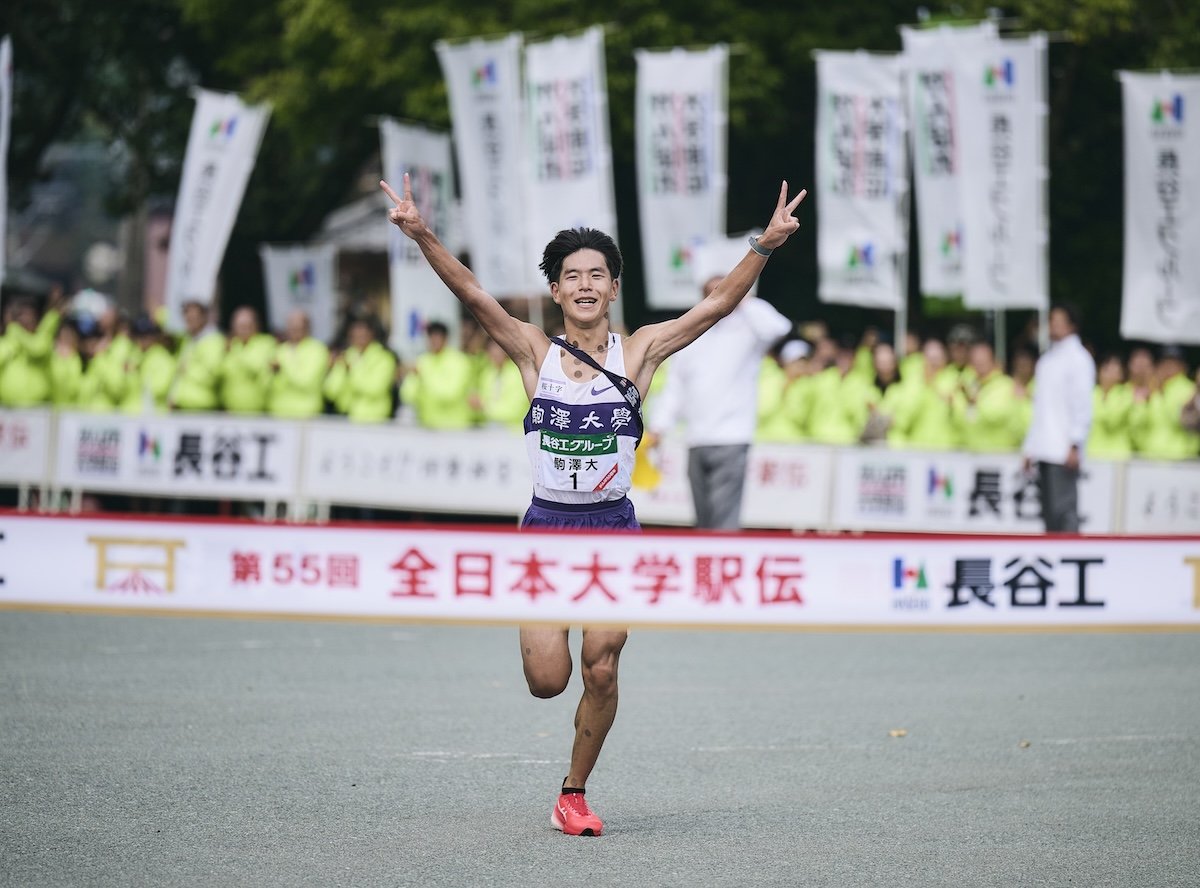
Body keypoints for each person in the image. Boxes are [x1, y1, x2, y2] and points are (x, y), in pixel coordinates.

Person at [382, 173, 806, 837]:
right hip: (545, 530)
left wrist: (766, 243)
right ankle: (540, 649)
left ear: (613, 286)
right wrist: (421, 232)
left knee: (601, 666)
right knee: (548, 681)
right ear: (556, 290)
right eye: (572, 275)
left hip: (613, 529)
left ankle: (572, 793)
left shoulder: (639, 352)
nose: (584, 285)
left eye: (597, 275)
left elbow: (720, 303)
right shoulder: (532, 350)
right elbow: (469, 291)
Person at [644, 242, 793, 530]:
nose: (718, 295)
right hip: (697, 438)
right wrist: (660, 426)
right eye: (712, 291)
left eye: (723, 289)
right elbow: (676, 386)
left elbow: (779, 328)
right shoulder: (691, 332)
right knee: (704, 521)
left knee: (723, 523)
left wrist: (741, 295)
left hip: (731, 437)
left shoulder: (748, 326)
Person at [1021, 303, 1096, 532]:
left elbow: (1082, 404)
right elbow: (1040, 410)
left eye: (1058, 320)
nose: (1053, 325)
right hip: (1044, 446)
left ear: (1072, 325)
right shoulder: (1046, 361)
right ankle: (1053, 559)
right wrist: (1029, 447)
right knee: (1049, 513)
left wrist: (1075, 442)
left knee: (1064, 511)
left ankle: (1069, 558)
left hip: (1063, 448)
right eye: (1051, 320)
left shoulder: (1079, 359)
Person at [399, 320, 476, 429]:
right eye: (431, 337)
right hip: (428, 427)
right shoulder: (422, 360)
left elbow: (450, 393)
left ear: (446, 339)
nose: (434, 340)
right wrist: (415, 379)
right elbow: (407, 396)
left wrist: (423, 377)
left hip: (455, 428)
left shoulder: (459, 361)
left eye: (438, 336)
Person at [323, 316, 397, 422]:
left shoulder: (384, 358)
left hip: (375, 418)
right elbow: (331, 391)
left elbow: (375, 389)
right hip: (347, 416)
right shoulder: (347, 356)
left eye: (363, 335)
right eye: (356, 335)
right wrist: (334, 369)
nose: (359, 338)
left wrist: (351, 371)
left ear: (371, 335)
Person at [956, 341, 1021, 453]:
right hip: (970, 454)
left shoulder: (1006, 385)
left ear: (993, 361)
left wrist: (975, 402)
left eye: (983, 361)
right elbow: (959, 418)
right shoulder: (966, 384)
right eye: (975, 361)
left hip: (999, 456)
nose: (979, 364)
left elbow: (996, 414)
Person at [0, 293, 61, 406]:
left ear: (37, 320)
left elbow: (38, 350)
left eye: (30, 315)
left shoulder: (42, 339)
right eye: (21, 315)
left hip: (37, 412)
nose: (26, 319)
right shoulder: (6, 341)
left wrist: (14, 329)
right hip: (6, 411)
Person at [268, 310, 329, 419]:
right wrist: (272, 373)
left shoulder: (317, 349)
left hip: (306, 415)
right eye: (291, 327)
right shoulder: (280, 349)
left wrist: (284, 365)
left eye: (298, 328)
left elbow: (306, 382)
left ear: (307, 328)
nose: (294, 331)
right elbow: (268, 385)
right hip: (279, 414)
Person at [220, 307, 277, 414]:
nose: (244, 330)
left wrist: (236, 352)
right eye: (240, 326)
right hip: (230, 409)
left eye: (247, 326)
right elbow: (221, 371)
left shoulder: (266, 342)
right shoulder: (231, 344)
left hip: (257, 411)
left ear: (256, 326)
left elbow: (255, 367)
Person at [170, 301, 225, 412]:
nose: (189, 322)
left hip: (201, 408)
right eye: (187, 319)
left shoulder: (212, 341)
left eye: (193, 318)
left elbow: (212, 374)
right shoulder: (189, 341)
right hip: (185, 406)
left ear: (204, 317)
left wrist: (188, 371)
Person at [1088, 354, 1134, 459]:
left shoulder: (1126, 394)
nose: (1109, 374)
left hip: (1118, 455)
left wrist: (1102, 406)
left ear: (1121, 376)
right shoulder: (1091, 393)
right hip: (1092, 452)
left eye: (1115, 371)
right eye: (1106, 369)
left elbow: (1113, 420)